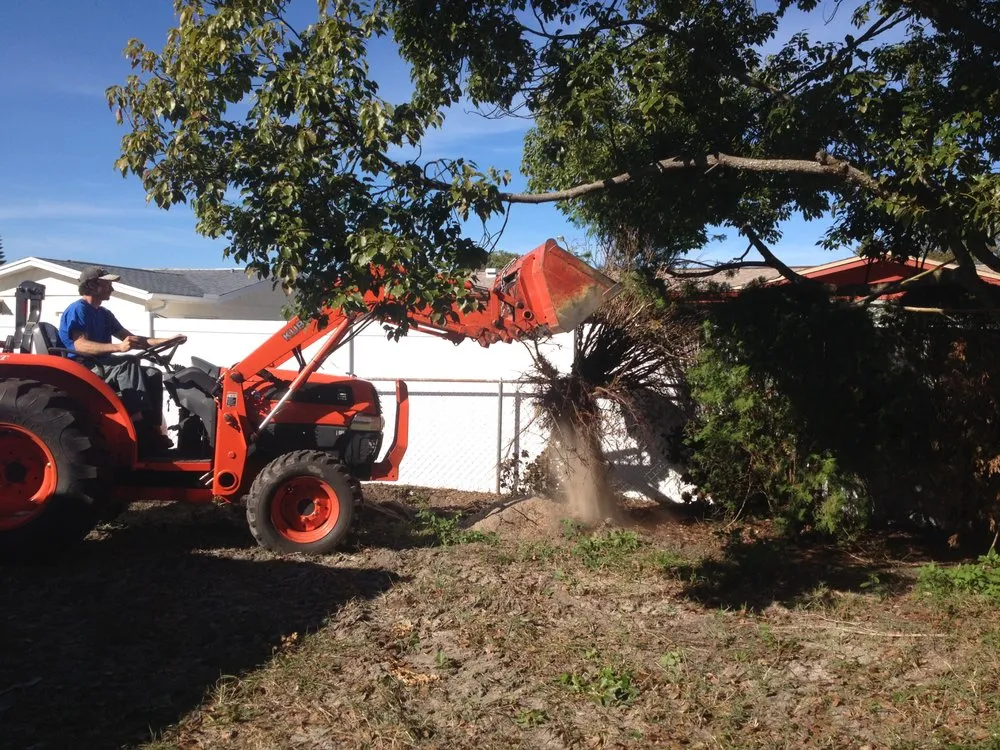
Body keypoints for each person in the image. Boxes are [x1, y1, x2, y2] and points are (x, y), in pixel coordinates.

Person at [59, 266, 187, 449]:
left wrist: (168, 340)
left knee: (152, 373)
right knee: (128, 362)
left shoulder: (104, 314)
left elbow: (133, 339)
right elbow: (80, 345)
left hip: (103, 365)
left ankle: (153, 427)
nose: (112, 289)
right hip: (85, 367)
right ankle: (138, 427)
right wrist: (119, 347)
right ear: (93, 285)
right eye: (108, 284)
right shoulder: (78, 310)